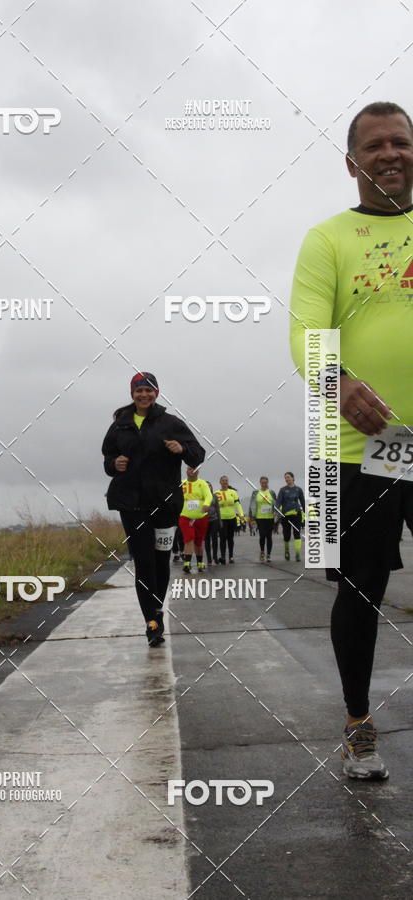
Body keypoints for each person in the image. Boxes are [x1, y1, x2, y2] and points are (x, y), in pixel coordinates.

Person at [290, 101, 413, 779]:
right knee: (361, 585)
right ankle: (359, 724)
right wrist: (337, 382)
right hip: (355, 445)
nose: (389, 153)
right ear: (352, 163)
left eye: (401, 142)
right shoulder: (328, 239)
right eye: (375, 146)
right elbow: (306, 330)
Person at [102, 372, 205, 646]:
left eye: (148, 390)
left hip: (164, 505)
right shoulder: (120, 425)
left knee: (161, 563)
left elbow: (198, 454)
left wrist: (181, 447)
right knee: (144, 564)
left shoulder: (170, 423)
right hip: (131, 504)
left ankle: (157, 609)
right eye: (139, 391)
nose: (143, 395)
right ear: (132, 394)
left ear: (156, 393)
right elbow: (107, 458)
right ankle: (152, 623)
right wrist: (114, 464)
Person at [178, 467, 212, 573]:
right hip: (185, 516)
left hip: (200, 517)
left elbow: (209, 496)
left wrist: (206, 504)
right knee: (189, 538)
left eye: (194, 469)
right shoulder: (181, 484)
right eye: (189, 469)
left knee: (198, 542)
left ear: (198, 472)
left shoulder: (202, 484)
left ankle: (200, 563)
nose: (191, 471)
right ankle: (187, 564)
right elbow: (174, 497)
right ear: (186, 471)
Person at [214, 476, 245, 564]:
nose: (225, 482)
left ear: (228, 482)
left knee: (230, 538)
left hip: (232, 518)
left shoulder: (233, 492)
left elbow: (238, 504)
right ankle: (223, 557)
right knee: (223, 538)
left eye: (226, 481)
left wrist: (241, 514)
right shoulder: (216, 493)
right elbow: (213, 506)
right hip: (221, 519)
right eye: (223, 481)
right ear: (220, 482)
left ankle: (231, 556)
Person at [276, 472, 305, 561]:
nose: (287, 479)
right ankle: (287, 550)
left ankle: (297, 554)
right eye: (285, 478)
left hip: (296, 514)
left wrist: (305, 512)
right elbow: (278, 501)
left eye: (288, 477)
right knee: (287, 535)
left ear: (293, 478)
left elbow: (303, 502)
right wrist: (276, 510)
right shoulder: (282, 490)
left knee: (297, 534)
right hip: (285, 516)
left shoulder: (298, 489)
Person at [248, 476, 277, 561]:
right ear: (260, 483)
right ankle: (262, 551)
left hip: (270, 517)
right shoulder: (256, 493)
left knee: (269, 536)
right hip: (259, 517)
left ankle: (268, 554)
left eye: (265, 483)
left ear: (268, 483)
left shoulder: (271, 492)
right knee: (262, 535)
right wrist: (252, 518)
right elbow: (251, 505)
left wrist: (276, 514)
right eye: (262, 483)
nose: (264, 484)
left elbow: (276, 504)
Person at [204, 482, 221, 566]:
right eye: (207, 486)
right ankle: (209, 558)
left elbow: (218, 509)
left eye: (210, 486)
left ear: (211, 487)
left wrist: (220, 521)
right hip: (205, 520)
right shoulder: (202, 496)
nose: (208, 487)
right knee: (207, 540)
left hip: (214, 520)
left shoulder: (214, 496)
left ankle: (215, 556)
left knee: (214, 539)